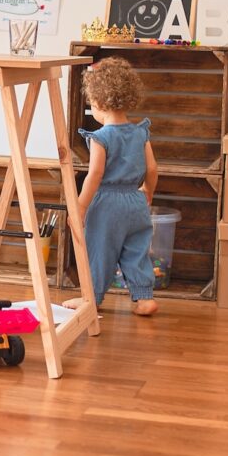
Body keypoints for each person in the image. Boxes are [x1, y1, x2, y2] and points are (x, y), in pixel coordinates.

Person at [64, 58, 159, 316]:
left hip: (106, 204)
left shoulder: (101, 137)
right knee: (136, 251)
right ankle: (144, 298)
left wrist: (81, 206)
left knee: (100, 250)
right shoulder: (141, 132)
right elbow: (152, 169)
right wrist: (147, 191)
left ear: (99, 103)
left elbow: (95, 174)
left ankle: (91, 298)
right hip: (135, 201)